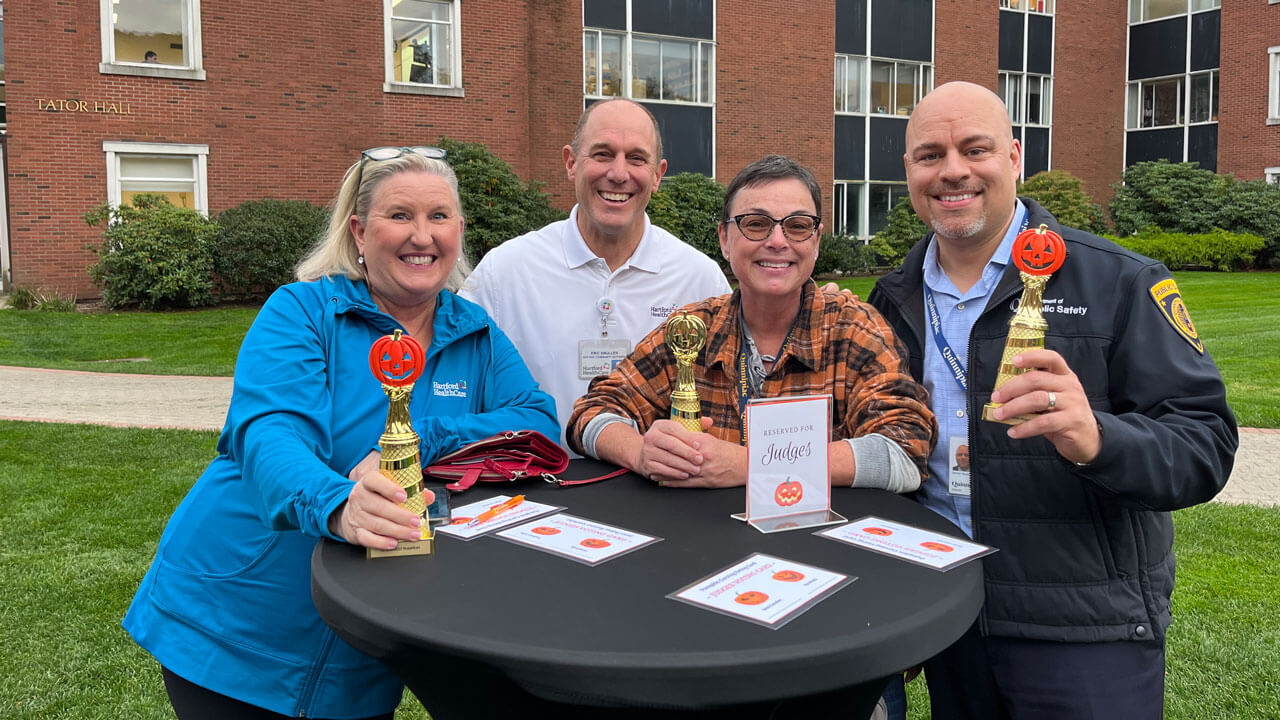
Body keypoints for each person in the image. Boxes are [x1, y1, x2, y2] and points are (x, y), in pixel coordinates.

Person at [122, 147, 558, 719]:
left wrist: (416, 439)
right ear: (358, 230)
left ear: (459, 231)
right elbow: (270, 435)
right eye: (399, 215)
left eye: (439, 217)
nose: (421, 236)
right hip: (237, 620)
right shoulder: (302, 312)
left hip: (366, 641)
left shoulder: (475, 333)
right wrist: (339, 506)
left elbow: (535, 421)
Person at [868, 81, 1238, 719]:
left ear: (1013, 157)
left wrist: (1098, 439)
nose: (952, 170)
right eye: (929, 155)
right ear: (908, 171)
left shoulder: (1120, 280)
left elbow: (1205, 445)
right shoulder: (890, 298)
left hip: (1081, 624)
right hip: (947, 613)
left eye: (974, 149)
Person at [567, 154, 935, 494]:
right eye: (756, 224)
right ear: (725, 240)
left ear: (817, 241)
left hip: (818, 548)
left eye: (797, 226)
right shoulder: (691, 331)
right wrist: (641, 453)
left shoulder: (853, 331)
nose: (777, 241)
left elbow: (905, 450)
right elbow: (590, 413)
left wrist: (750, 466)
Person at [461, 98, 730, 451]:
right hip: (534, 493)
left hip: (659, 492)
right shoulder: (504, 273)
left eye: (636, 158)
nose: (619, 173)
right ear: (571, 163)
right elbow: (454, 387)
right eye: (602, 154)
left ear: (658, 174)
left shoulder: (699, 278)